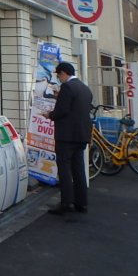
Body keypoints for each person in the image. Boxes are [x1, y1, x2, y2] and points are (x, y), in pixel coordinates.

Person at [45, 61, 93, 215]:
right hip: (82, 135)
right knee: (78, 169)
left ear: (64, 73)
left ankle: (66, 203)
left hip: (66, 136)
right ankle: (82, 203)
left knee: (64, 169)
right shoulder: (85, 88)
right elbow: (77, 108)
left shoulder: (67, 87)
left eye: (59, 75)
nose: (59, 79)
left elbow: (62, 111)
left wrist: (50, 115)